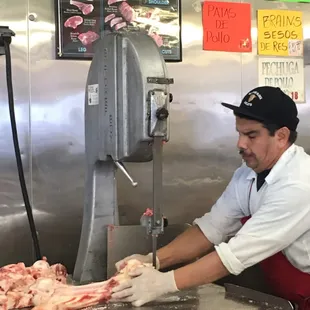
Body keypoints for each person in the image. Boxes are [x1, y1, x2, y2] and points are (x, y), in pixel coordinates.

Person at [110, 86, 310, 309]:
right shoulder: (247, 174)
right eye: (240, 133)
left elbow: (234, 256)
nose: (240, 144)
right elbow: (211, 229)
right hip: (288, 296)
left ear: (281, 136)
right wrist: (152, 260)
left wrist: (164, 283)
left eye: (251, 135)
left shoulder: (299, 183)